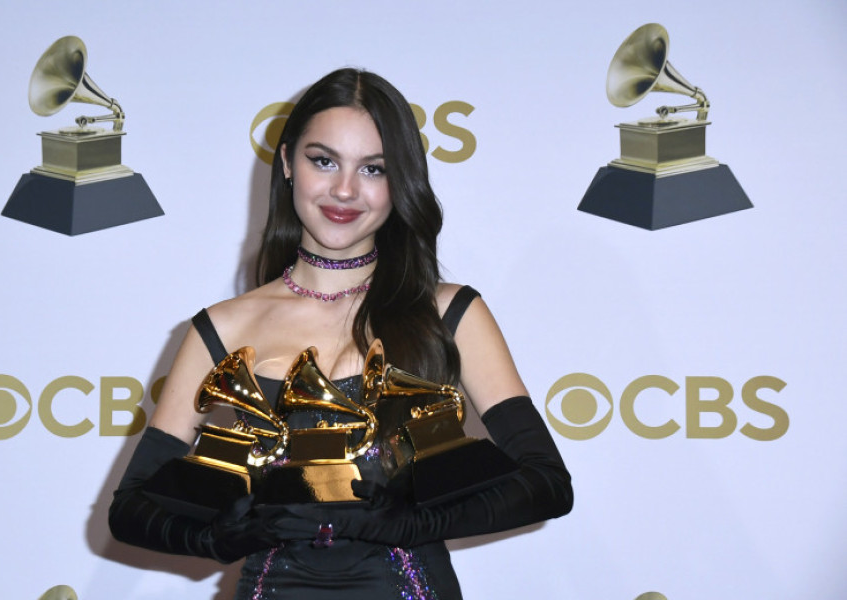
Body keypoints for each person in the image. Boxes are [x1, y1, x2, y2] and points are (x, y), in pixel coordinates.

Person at [108, 67, 573, 599]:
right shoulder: (221, 328)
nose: (345, 190)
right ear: (287, 163)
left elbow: (546, 484)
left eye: (373, 169)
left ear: (401, 182)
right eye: (323, 161)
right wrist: (220, 537)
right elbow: (131, 509)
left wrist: (414, 523)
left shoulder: (449, 312)